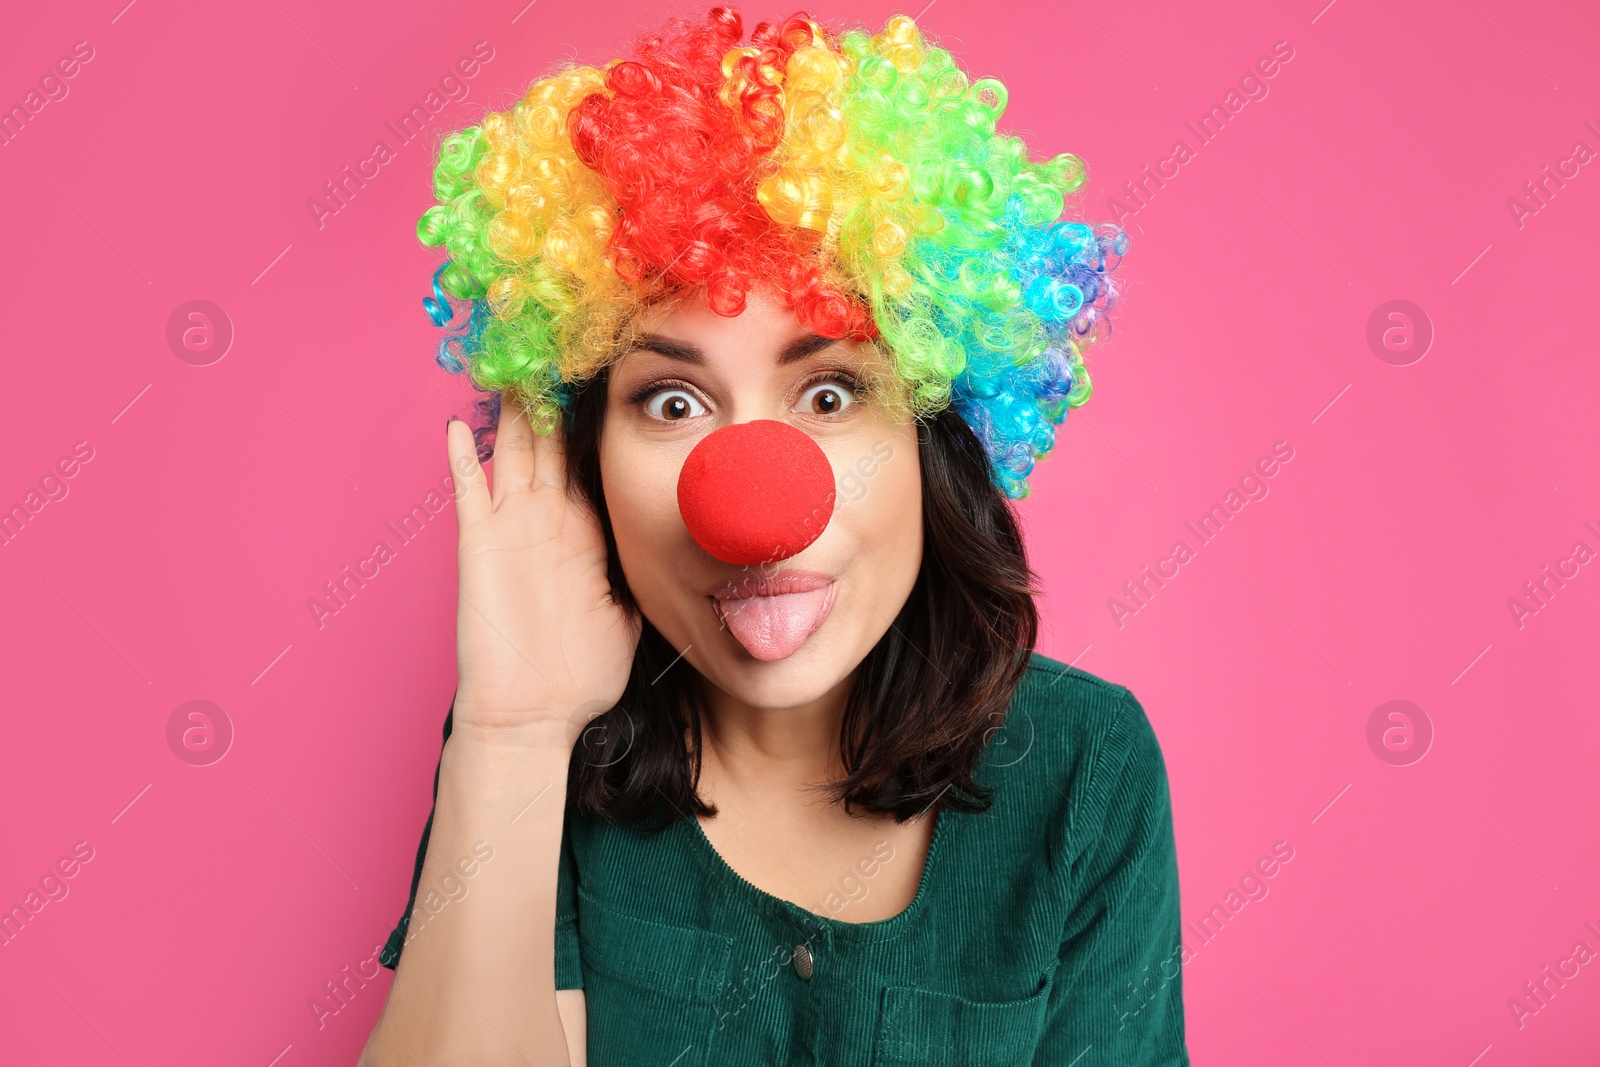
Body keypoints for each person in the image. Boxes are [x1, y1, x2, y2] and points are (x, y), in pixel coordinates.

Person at [360, 7, 1187, 1065]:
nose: (750, 499)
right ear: (586, 466)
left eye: (832, 392)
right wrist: (512, 734)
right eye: (670, 403)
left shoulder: (1085, 762)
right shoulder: (532, 746)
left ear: (933, 430)